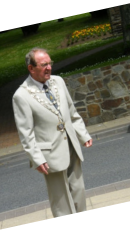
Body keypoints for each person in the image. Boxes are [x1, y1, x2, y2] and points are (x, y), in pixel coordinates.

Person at [12, 47, 93, 218]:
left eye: (50, 63)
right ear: (31, 68)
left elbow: (71, 112)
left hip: (71, 144)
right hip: (50, 154)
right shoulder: (21, 95)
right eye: (43, 65)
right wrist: (37, 158)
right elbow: (25, 133)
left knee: (78, 190)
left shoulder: (58, 81)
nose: (49, 67)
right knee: (61, 199)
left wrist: (83, 134)